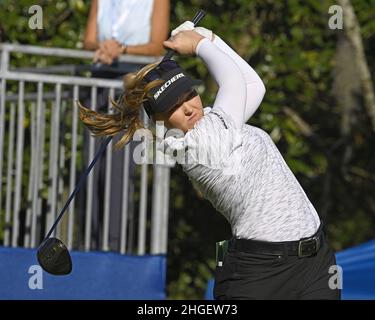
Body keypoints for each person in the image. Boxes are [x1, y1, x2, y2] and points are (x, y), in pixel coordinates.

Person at [79, 23, 341, 300]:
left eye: (189, 94)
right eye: (174, 106)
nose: (189, 107)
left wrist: (208, 37)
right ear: (160, 121)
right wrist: (199, 46)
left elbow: (254, 85)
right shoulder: (197, 144)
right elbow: (235, 83)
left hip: (315, 262)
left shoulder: (215, 120)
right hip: (261, 275)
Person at [79, 0, 170, 251]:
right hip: (99, 89)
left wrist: (123, 49)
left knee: (117, 175)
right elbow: (87, 41)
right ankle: (88, 246)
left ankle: (112, 249)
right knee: (92, 170)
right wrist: (105, 47)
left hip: (130, 93)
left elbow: (157, 46)